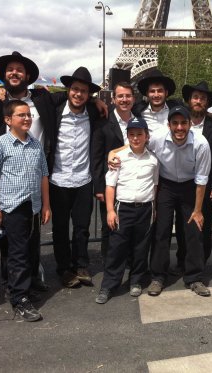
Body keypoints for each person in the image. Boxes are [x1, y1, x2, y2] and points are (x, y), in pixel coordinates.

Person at [110, 106, 212, 296]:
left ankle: (194, 277)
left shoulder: (201, 143)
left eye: (183, 123)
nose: (179, 127)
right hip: (166, 185)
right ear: (169, 125)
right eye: (175, 123)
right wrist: (113, 153)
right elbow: (136, 144)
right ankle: (158, 276)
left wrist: (198, 210)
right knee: (161, 230)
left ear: (190, 124)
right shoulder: (157, 138)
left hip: (190, 186)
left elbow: (201, 179)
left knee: (194, 230)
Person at [0, 100, 51, 322]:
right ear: (8, 119)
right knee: (18, 255)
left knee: (31, 250)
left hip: (33, 206)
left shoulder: (35, 144)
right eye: (21, 115)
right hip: (12, 207)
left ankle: (28, 286)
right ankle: (19, 298)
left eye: (29, 114)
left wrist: (46, 205)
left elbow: (43, 175)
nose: (27, 118)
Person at [47, 67, 102, 288]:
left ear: (90, 95)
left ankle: (81, 264)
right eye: (75, 90)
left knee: (82, 227)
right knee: (60, 228)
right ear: (68, 90)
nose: (78, 94)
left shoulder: (94, 112)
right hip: (58, 179)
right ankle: (64, 269)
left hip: (82, 179)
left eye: (84, 91)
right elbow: (37, 96)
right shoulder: (56, 109)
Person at [95, 117, 159, 304]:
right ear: (127, 136)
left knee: (141, 247)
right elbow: (110, 186)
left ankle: (136, 280)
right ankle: (108, 285)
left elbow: (155, 185)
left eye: (140, 134)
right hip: (123, 208)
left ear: (147, 136)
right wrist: (109, 210)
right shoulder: (118, 158)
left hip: (145, 208)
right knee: (117, 248)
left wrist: (154, 208)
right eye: (132, 134)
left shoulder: (154, 160)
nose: (136, 138)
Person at [173, 81, 212, 270]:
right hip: (182, 182)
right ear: (188, 100)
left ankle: (201, 261)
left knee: (204, 224)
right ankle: (182, 258)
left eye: (203, 98)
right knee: (183, 223)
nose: (198, 101)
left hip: (205, 183)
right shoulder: (179, 120)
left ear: (207, 103)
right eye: (195, 97)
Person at [92, 82, 135, 262]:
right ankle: (110, 260)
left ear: (133, 98)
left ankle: (129, 258)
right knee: (109, 221)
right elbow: (96, 156)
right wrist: (99, 186)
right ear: (113, 99)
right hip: (110, 181)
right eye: (120, 96)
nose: (124, 99)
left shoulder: (139, 119)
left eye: (128, 96)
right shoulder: (102, 123)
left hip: (133, 180)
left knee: (131, 221)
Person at [132, 69, 181, 135]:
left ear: (166, 93)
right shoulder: (137, 112)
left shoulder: (177, 109)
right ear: (147, 94)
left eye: (160, 91)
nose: (156, 95)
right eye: (152, 91)